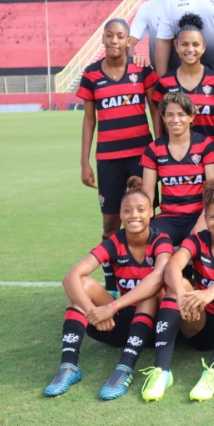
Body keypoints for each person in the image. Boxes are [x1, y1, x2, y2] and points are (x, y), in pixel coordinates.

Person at [44, 177, 173, 400]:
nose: (134, 215)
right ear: (120, 215)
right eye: (128, 210)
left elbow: (157, 278)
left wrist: (111, 307)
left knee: (151, 293)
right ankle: (69, 366)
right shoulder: (115, 241)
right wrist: (93, 312)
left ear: (151, 212)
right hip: (114, 322)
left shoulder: (161, 240)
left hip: (152, 327)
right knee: (81, 288)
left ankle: (124, 368)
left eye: (141, 209)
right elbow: (71, 277)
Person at [140, 177, 214, 402]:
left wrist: (211, 291)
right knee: (178, 284)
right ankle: (162, 371)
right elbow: (173, 265)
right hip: (198, 323)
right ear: (205, 218)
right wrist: (182, 295)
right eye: (213, 217)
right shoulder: (197, 240)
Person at [78, 18, 160, 290]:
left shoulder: (141, 71)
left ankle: (151, 277)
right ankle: (112, 283)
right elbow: (89, 120)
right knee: (111, 221)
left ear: (129, 41)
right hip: (108, 159)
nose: (114, 41)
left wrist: (159, 147)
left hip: (142, 157)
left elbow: (155, 110)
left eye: (120, 36)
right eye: (109, 36)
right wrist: (84, 161)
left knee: (149, 215)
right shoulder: (91, 75)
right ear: (103, 39)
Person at [140, 92, 214, 245]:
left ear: (191, 116)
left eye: (181, 114)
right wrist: (143, 222)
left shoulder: (205, 145)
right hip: (168, 217)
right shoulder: (154, 149)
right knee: (148, 241)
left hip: (198, 215)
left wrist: (204, 220)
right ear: (163, 118)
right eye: (170, 115)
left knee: (199, 245)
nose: (175, 120)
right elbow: (148, 192)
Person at [151, 13, 214, 146]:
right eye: (184, 44)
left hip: (211, 158)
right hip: (177, 158)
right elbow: (159, 122)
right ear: (176, 46)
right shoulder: (165, 83)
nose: (190, 49)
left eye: (196, 44)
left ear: (203, 48)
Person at [129, 0, 187, 67]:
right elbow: (128, 42)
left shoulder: (195, 4)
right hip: (160, 77)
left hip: (194, 77)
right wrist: (135, 60)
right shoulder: (148, 7)